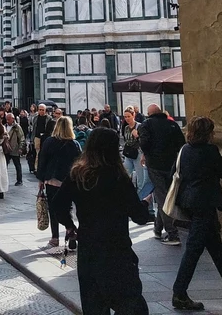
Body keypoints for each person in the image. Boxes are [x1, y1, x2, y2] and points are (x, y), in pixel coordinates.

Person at [54, 128, 152, 315]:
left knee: (94, 307)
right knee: (131, 305)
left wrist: (69, 225)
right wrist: (145, 203)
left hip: (89, 250)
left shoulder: (77, 174)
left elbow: (58, 204)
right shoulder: (117, 177)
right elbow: (139, 216)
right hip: (116, 250)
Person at [170, 116, 222, 311]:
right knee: (193, 250)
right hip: (204, 205)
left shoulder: (185, 150)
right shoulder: (210, 151)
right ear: (208, 133)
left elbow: (174, 172)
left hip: (189, 202)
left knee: (216, 248)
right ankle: (179, 293)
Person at [138, 103, 184, 245]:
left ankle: (172, 234)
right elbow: (181, 143)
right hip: (171, 165)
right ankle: (158, 229)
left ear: (149, 113)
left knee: (162, 196)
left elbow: (144, 143)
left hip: (155, 165)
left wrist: (144, 150)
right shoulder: (172, 124)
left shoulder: (146, 124)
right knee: (165, 195)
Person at [37, 115, 82, 249]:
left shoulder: (49, 142)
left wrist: (41, 178)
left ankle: (55, 237)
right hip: (69, 181)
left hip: (52, 179)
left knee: (53, 209)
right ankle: (70, 229)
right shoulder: (74, 144)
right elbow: (79, 163)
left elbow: (42, 160)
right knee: (67, 207)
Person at [121, 106, 147, 195]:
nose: (127, 119)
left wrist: (137, 136)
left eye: (128, 116)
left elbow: (144, 140)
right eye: (125, 117)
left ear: (133, 115)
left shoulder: (140, 126)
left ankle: (142, 199)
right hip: (129, 153)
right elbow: (126, 139)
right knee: (125, 174)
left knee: (141, 178)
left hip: (138, 152)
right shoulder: (126, 127)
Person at [32, 103, 54, 171]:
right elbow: (33, 127)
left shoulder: (49, 118)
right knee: (38, 152)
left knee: (44, 152)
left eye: (43, 110)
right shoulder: (35, 118)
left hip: (45, 137)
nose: (41, 111)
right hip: (37, 137)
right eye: (40, 110)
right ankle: (37, 168)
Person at [4, 112, 24, 186]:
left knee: (17, 165)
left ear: (12, 119)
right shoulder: (4, 126)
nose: (7, 121)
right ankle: (4, 179)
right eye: (7, 119)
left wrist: (20, 148)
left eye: (9, 119)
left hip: (15, 148)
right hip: (6, 149)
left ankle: (19, 180)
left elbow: (22, 137)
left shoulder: (17, 127)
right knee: (5, 165)